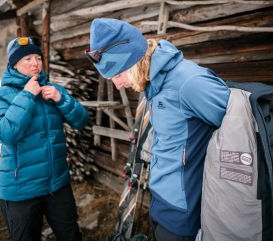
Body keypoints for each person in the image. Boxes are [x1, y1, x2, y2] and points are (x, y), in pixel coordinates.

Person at [86, 18, 230, 240]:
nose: (117, 85)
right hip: (161, 202)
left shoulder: (189, 83)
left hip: (185, 215)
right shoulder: (152, 85)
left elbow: (244, 132)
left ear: (134, 59)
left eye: (118, 75)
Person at [0, 37, 89, 240]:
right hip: (20, 190)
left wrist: (61, 99)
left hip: (57, 185)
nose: (35, 63)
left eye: (38, 57)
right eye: (27, 59)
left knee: (72, 237)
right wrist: (27, 96)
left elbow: (81, 120)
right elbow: (5, 133)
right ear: (14, 64)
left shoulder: (54, 90)